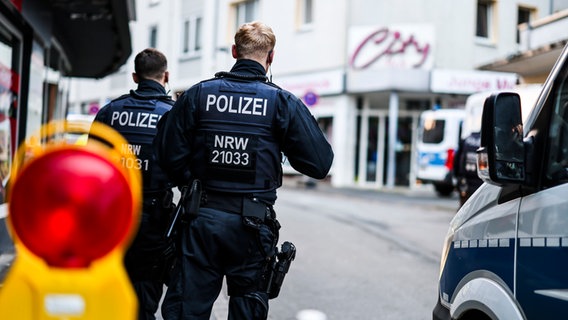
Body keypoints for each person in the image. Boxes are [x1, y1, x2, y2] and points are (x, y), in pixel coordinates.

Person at [153, 21, 334, 320]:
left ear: (235, 52)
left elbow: (166, 152)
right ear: (271, 57)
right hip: (252, 226)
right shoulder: (282, 102)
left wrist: (191, 184)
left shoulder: (198, 95)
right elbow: (319, 164)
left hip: (201, 220)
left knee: (187, 310)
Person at [90, 48, 175, 320]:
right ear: (166, 76)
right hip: (154, 218)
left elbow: (91, 165)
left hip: (111, 216)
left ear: (135, 76)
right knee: (144, 294)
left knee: (107, 288)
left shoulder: (110, 112)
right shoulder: (173, 115)